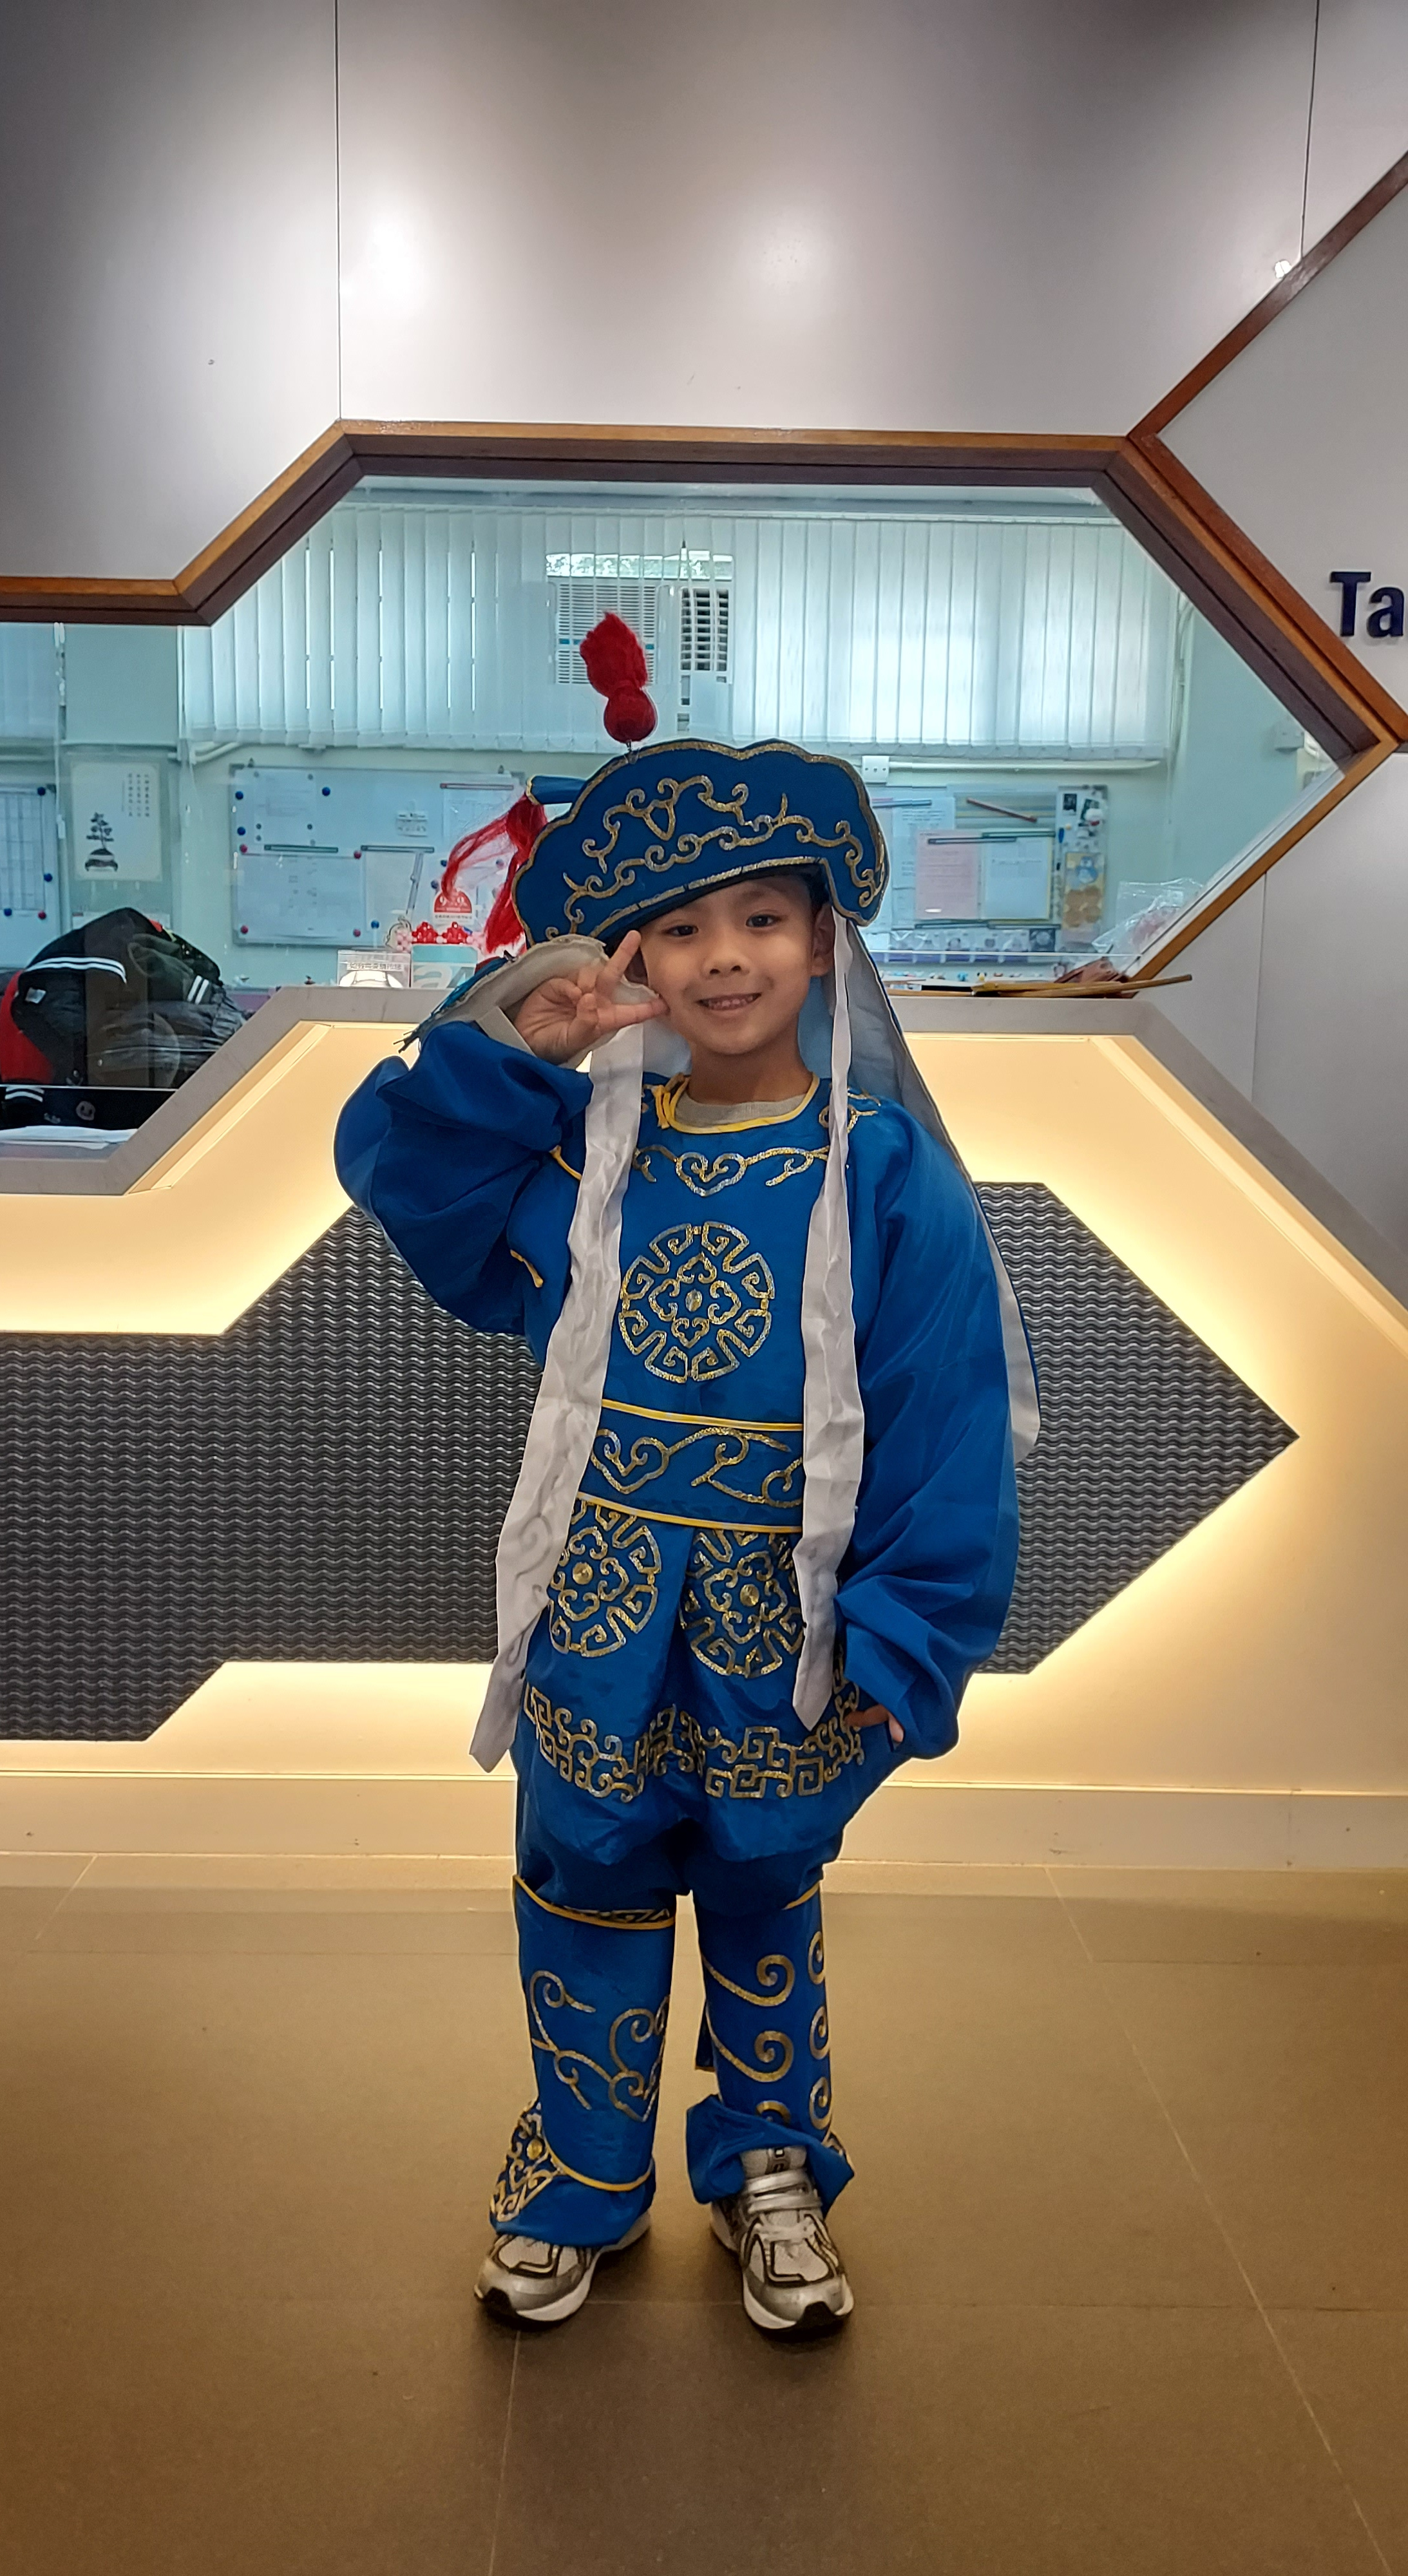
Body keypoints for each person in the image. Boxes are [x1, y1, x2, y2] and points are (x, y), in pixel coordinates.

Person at [335, 685, 1034, 2341]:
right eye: (685, 927)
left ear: (824, 941)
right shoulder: (586, 1161)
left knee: (765, 1879)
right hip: (602, 1601)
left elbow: (946, 1419)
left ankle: (770, 2161)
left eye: (765, 919)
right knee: (582, 1874)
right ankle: (581, 2170)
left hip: (786, 1619)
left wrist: (906, 1639)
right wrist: (517, 1045)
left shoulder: (880, 1172)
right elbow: (405, 1174)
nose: (727, 958)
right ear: (635, 955)